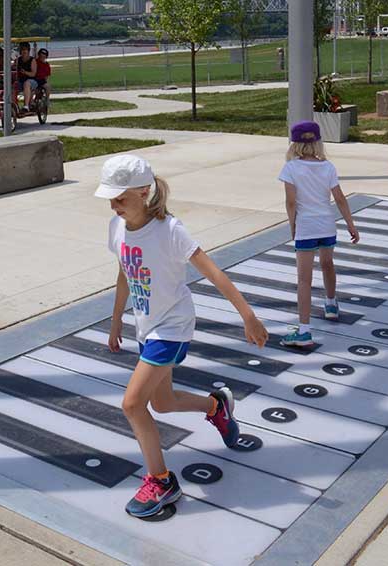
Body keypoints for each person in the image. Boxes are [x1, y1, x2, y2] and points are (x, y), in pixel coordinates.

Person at [95, 154, 269, 519]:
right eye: (110, 198)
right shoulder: (116, 227)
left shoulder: (170, 231)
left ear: (144, 192)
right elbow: (125, 273)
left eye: (120, 198)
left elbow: (213, 272)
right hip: (145, 325)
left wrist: (248, 317)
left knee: (131, 404)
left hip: (172, 328)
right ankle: (216, 406)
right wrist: (115, 323)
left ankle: (161, 480)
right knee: (163, 403)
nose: (113, 205)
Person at [278, 121, 360, 347]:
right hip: (327, 225)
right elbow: (340, 199)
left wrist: (292, 225)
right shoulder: (328, 167)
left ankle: (303, 331)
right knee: (327, 264)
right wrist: (351, 224)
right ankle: (331, 304)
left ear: (294, 144)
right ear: (317, 143)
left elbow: (291, 202)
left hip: (306, 226)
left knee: (304, 280)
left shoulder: (291, 169)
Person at [16, 41, 37, 113]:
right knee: (12, 85)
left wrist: (25, 72)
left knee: (27, 83)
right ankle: (13, 105)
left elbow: (33, 74)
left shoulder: (32, 60)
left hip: (32, 81)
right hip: (20, 80)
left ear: (28, 50)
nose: (23, 51)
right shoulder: (18, 60)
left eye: (25, 49)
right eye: (22, 49)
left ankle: (26, 106)